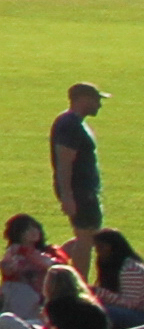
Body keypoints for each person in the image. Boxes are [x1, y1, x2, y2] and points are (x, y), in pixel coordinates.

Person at [66, 84, 110, 237]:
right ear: (83, 99)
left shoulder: (76, 123)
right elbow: (64, 164)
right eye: (96, 100)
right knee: (87, 237)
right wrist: (67, 196)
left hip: (85, 191)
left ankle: (55, 258)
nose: (99, 105)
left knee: (88, 236)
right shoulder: (69, 125)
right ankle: (77, 262)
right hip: (81, 192)